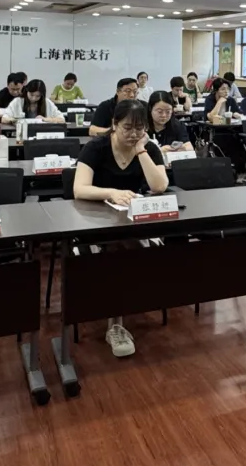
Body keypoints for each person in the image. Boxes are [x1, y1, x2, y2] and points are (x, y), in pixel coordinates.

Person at [73, 100, 168, 358]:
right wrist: (112, 193)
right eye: (128, 128)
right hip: (95, 224)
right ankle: (115, 324)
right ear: (114, 124)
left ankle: (123, 307)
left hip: (134, 223)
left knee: (137, 248)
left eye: (140, 128)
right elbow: (79, 189)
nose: (134, 134)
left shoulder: (148, 148)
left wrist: (141, 150)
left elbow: (159, 186)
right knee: (117, 251)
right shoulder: (96, 147)